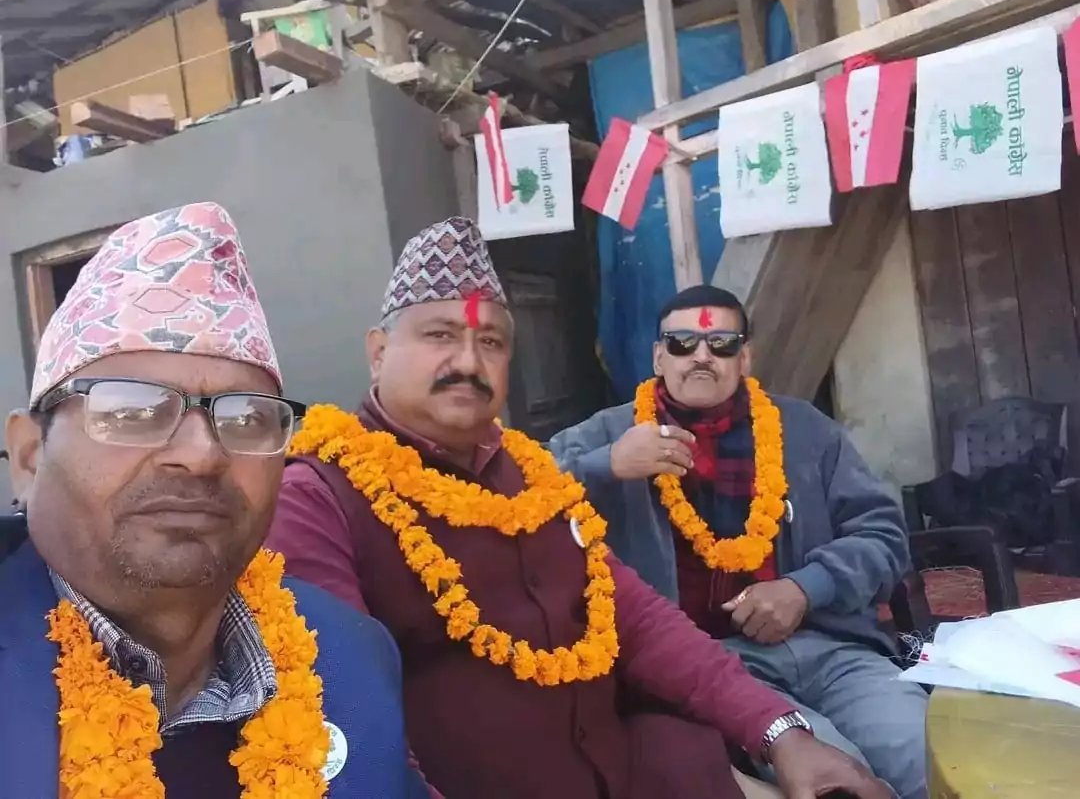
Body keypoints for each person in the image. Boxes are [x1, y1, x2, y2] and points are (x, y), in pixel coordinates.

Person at [268, 216, 891, 799]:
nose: (468, 362)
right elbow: (342, 720)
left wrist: (778, 732)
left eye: (491, 341)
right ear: (379, 351)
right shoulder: (319, 496)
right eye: (440, 335)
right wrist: (609, 463)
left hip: (653, 756)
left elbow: (637, 619)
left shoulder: (532, 476)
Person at [0, 202, 428, 798]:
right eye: (132, 411)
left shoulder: (353, 658)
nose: (202, 454)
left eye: (248, 419)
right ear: (29, 456)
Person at [549, 284, 929, 799]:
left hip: (832, 648)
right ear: (659, 357)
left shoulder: (806, 430)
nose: (701, 356)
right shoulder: (609, 432)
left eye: (721, 344)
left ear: (744, 357)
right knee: (841, 778)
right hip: (711, 668)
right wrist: (606, 464)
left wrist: (805, 588)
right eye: (682, 343)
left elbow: (883, 533)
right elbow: (517, 491)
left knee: (926, 754)